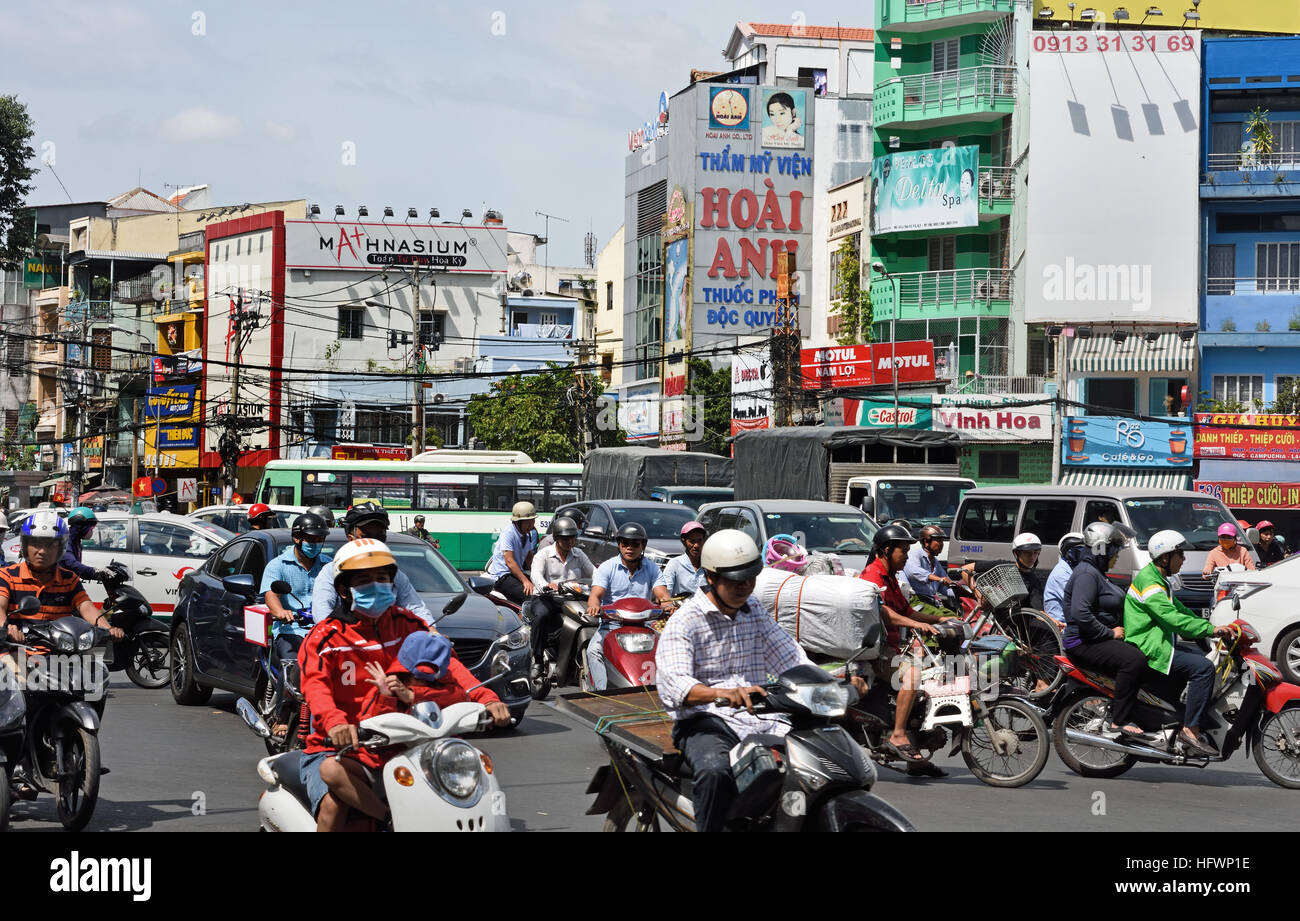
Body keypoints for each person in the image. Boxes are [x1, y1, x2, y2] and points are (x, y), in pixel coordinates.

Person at [655, 530, 868, 832]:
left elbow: (791, 657)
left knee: (813, 767)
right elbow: (675, 686)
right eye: (735, 579)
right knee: (715, 773)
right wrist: (724, 694)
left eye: (750, 578)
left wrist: (836, 683)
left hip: (764, 719)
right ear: (712, 577)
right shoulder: (686, 621)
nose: (744, 586)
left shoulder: (753, 611)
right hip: (707, 721)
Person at [298, 538, 501, 832]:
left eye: (382, 578)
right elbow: (316, 688)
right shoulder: (324, 639)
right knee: (334, 800)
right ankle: (386, 819)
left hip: (408, 741)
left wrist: (487, 699)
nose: (377, 586)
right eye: (365, 580)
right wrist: (336, 725)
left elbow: (451, 667)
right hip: (341, 748)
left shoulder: (410, 625)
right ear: (344, 590)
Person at [1126, 530, 1236, 757]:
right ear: (1165, 558)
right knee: (1203, 668)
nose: (1184, 559)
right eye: (1180, 554)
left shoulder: (1159, 579)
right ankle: (1191, 729)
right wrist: (1210, 629)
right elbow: (1172, 619)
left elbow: (1179, 609)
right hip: (1151, 645)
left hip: (1162, 640)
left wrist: (1209, 624)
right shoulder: (1150, 583)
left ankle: (1174, 718)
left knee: (1201, 659)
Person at [860, 524, 958, 773]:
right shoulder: (873, 577)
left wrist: (940, 620)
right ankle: (898, 734)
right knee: (913, 674)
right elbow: (885, 614)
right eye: (902, 551)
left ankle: (917, 761)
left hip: (893, 648)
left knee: (930, 679)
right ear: (885, 551)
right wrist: (915, 624)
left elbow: (908, 611)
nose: (905, 556)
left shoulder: (892, 579)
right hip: (877, 653)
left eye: (906, 551)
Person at [0, 511, 125, 670]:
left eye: (50, 545)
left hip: (61, 658)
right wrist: (7, 628)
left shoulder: (69, 579)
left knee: (96, 678)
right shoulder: (7, 576)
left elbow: (86, 607)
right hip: (17, 653)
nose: (42, 551)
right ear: (25, 546)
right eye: (36, 544)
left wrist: (109, 630)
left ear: (61, 548)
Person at [1062, 522, 1146, 738]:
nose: (1116, 557)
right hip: (1082, 642)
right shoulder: (1087, 574)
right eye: (1114, 552)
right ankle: (1119, 721)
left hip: (1093, 639)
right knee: (1133, 660)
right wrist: (1110, 633)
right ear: (1102, 548)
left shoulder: (1096, 571)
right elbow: (1082, 614)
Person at [260, 511, 332, 739]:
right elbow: (271, 594)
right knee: (294, 663)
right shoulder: (278, 565)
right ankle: (282, 715)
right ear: (297, 538)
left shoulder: (329, 566)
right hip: (291, 630)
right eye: (311, 539)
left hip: (323, 631)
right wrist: (281, 612)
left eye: (319, 540)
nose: (315, 544)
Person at [310, 503, 431, 624]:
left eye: (379, 537)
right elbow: (321, 611)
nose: (373, 542)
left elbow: (416, 608)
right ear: (350, 537)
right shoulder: (331, 572)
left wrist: (430, 630)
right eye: (366, 536)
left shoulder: (395, 575)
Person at [357, 630, 510, 724]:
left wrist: (412, 695)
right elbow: (372, 722)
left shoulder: (449, 670)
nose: (422, 682)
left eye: (429, 678)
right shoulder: (386, 683)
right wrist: (386, 696)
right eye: (416, 676)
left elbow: (466, 692)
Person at [586, 522, 660, 690]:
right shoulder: (607, 567)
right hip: (611, 625)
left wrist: (668, 605)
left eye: (635, 544)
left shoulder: (652, 567)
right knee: (594, 652)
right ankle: (601, 692)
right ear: (619, 545)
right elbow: (596, 595)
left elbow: (662, 594)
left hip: (645, 626)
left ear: (643, 546)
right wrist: (594, 606)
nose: (629, 548)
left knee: (668, 651)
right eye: (625, 543)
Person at [525, 516, 594, 672]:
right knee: (541, 616)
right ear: (556, 538)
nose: (569, 542)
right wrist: (546, 585)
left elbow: (594, 573)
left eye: (572, 538)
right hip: (545, 598)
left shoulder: (579, 554)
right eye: (565, 538)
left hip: (570, 600)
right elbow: (535, 575)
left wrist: (602, 584)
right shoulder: (543, 555)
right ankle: (537, 659)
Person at [484, 501, 539, 604]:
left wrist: (540, 575)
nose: (531, 525)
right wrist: (525, 581)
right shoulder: (508, 533)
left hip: (516, 574)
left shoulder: (526, 535)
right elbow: (509, 561)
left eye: (533, 521)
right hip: (503, 577)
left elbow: (530, 558)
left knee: (542, 593)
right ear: (518, 522)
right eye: (528, 522)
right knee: (531, 598)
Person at [653, 521, 708, 612]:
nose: (696, 545)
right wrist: (669, 606)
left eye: (699, 541)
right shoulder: (674, 564)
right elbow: (666, 593)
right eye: (692, 541)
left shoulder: (710, 565)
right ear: (684, 541)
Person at [902, 525, 958, 610]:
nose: (941, 544)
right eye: (938, 540)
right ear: (926, 542)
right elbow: (914, 572)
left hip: (931, 603)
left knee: (957, 620)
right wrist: (939, 579)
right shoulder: (914, 555)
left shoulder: (935, 563)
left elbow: (945, 586)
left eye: (942, 541)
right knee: (948, 620)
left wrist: (962, 593)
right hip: (915, 602)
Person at [62, 506, 116, 583]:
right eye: (91, 529)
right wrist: (95, 572)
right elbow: (72, 564)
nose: (92, 532)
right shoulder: (65, 542)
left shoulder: (76, 542)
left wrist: (96, 574)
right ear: (82, 527)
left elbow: (77, 571)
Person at [1043, 532, 1085, 625]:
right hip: (1061, 625)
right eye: (1079, 552)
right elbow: (1079, 603)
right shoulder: (1061, 574)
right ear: (1069, 553)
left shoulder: (1072, 569)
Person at [1010, 532, 1046, 610]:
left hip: (1020, 619)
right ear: (1016, 553)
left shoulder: (1034, 580)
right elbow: (976, 565)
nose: (1032, 557)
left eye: (1035, 553)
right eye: (1027, 553)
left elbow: (1038, 609)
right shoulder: (1003, 567)